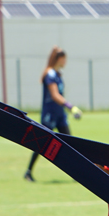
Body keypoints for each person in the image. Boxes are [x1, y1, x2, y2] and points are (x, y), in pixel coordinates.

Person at [24, 46, 81, 182]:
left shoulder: (58, 74)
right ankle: (28, 172)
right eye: (64, 59)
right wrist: (70, 107)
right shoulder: (50, 75)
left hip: (60, 115)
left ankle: (77, 173)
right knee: (41, 143)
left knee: (69, 143)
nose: (65, 62)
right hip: (50, 115)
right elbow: (55, 95)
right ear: (59, 59)